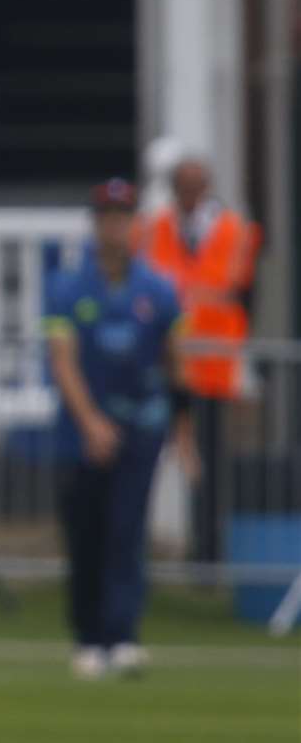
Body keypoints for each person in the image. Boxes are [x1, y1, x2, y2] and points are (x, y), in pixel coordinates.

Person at [44, 179, 198, 680]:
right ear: (96, 223)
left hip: (141, 425)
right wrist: (91, 423)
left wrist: (183, 432)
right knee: (87, 529)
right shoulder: (68, 287)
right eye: (107, 217)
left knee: (127, 530)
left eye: (123, 217)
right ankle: (89, 637)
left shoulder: (157, 289)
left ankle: (123, 634)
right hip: (80, 431)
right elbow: (63, 363)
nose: (115, 226)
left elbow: (175, 364)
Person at [138, 156, 260, 561]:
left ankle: (208, 550)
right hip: (165, 360)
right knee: (157, 448)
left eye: (197, 186)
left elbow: (242, 291)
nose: (190, 195)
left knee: (209, 457)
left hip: (212, 362)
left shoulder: (232, 229)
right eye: (183, 186)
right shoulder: (156, 228)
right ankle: (144, 545)